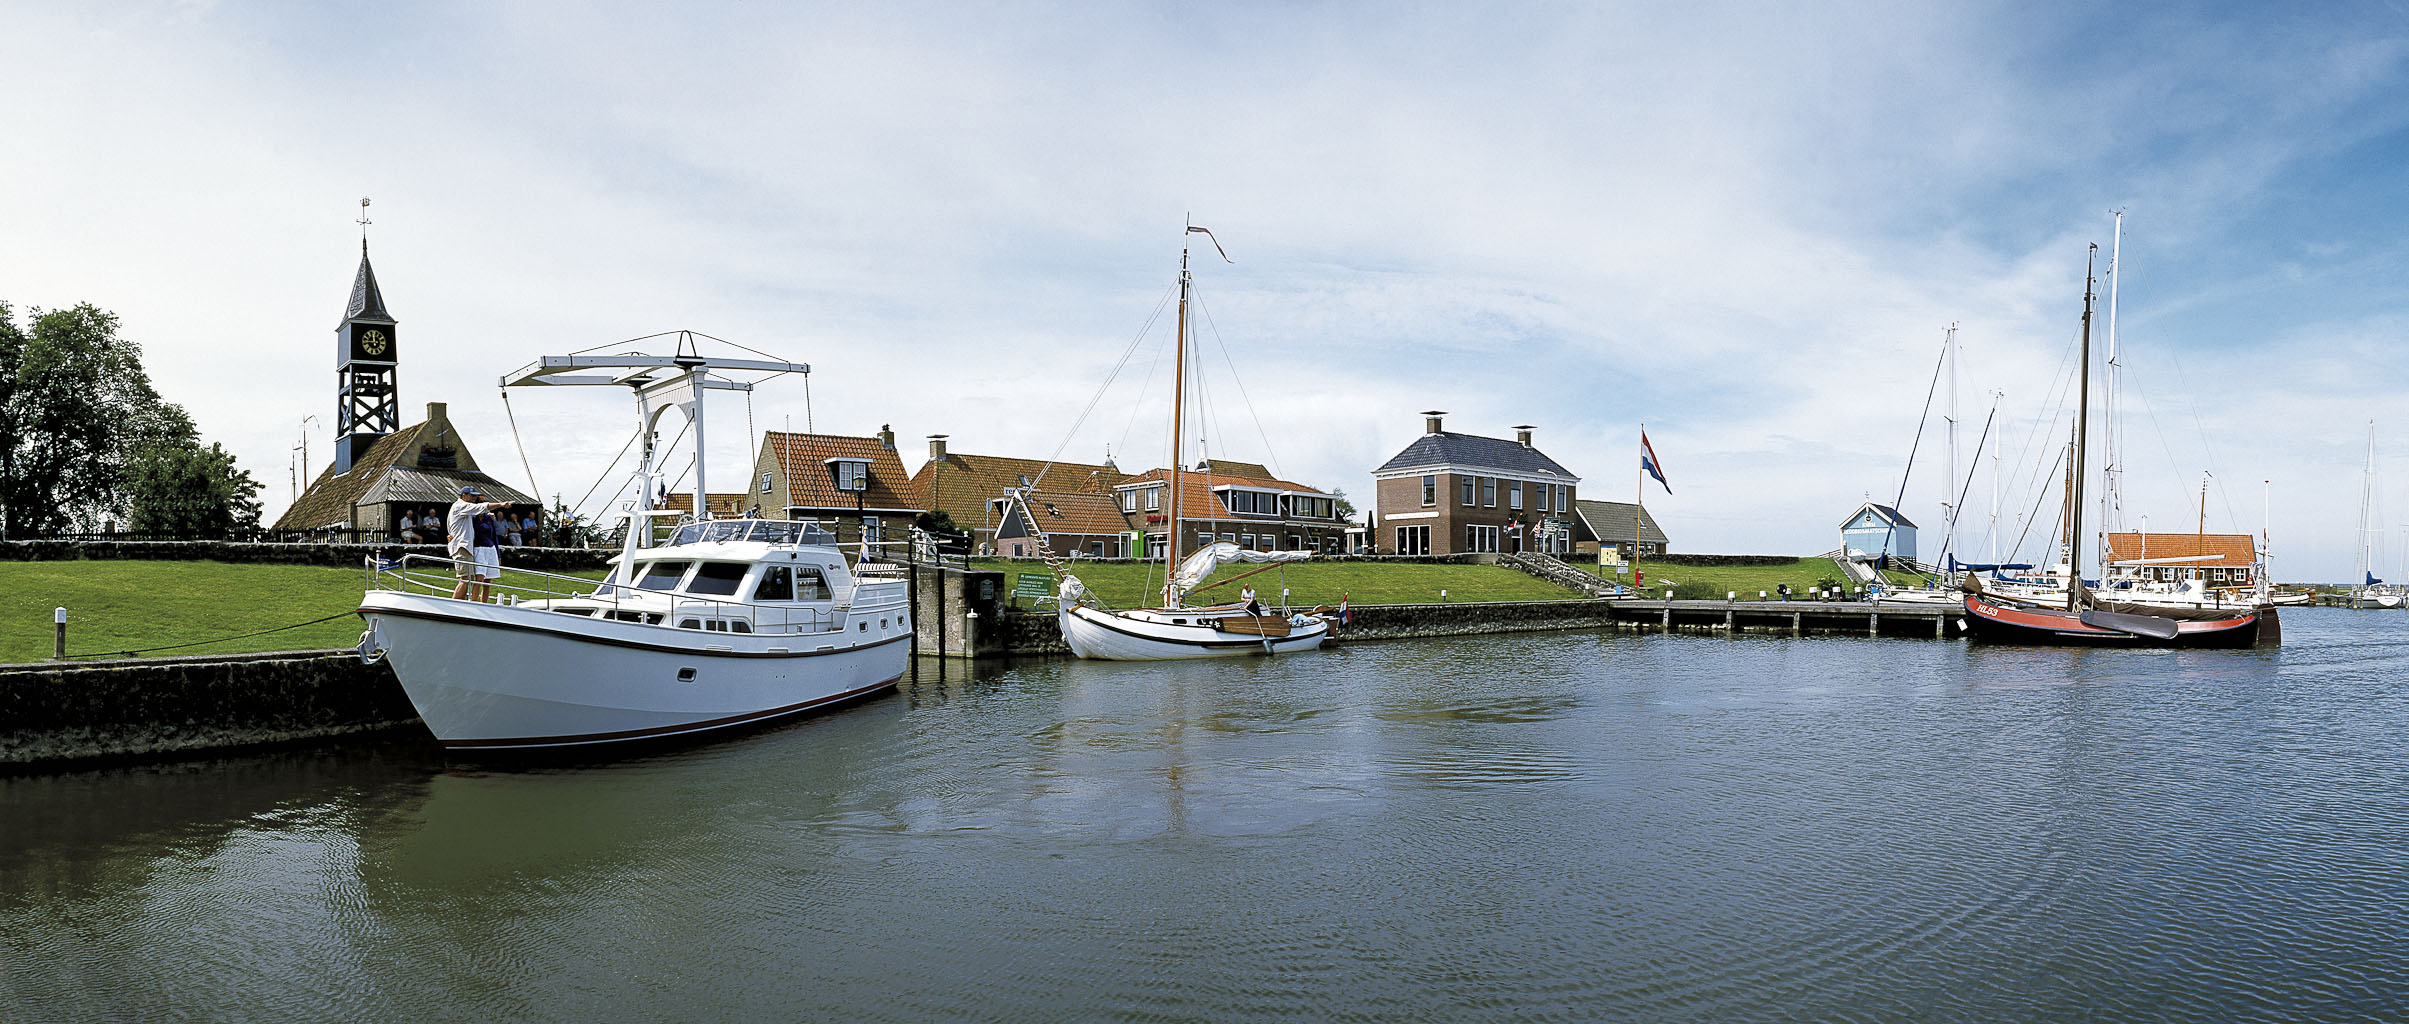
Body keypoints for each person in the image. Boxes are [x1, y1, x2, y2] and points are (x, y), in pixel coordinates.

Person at [447, 486, 516, 601]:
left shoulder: (464, 509)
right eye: (472, 495)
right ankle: (454, 606)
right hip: (462, 547)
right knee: (465, 579)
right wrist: (502, 504)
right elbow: (481, 507)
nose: (474, 498)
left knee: (468, 579)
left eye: (475, 496)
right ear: (464, 496)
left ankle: (460, 605)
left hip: (465, 547)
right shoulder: (460, 506)